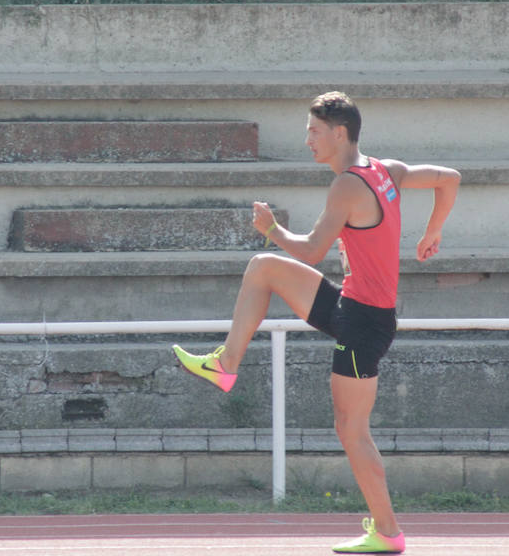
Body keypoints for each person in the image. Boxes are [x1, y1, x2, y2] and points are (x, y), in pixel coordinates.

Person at [173, 91, 460, 554]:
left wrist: (270, 226)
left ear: (339, 133)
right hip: (352, 306)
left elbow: (310, 251)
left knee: (351, 430)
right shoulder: (386, 169)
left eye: (314, 131)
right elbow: (450, 178)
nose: (307, 140)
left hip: (363, 325)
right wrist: (434, 230)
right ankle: (226, 364)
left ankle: (388, 532)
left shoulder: (348, 184)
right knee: (263, 268)